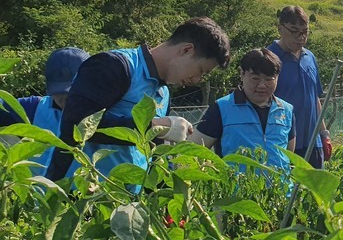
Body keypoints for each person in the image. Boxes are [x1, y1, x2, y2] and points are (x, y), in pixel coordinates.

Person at [46, 17, 230, 186]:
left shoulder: (163, 92)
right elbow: (75, 124)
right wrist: (156, 127)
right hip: (79, 195)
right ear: (186, 50)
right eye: (201, 70)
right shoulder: (114, 65)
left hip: (126, 204)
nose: (197, 80)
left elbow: (151, 156)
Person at [190, 48, 295, 180]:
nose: (262, 85)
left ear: (277, 78)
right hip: (236, 195)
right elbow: (194, 150)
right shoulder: (222, 108)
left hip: (279, 196)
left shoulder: (286, 110)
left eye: (269, 79)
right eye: (255, 78)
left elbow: (289, 155)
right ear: (242, 74)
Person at [0, 47, 89, 175]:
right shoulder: (34, 109)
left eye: (72, 90)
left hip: (84, 193)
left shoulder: (105, 112)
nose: (66, 97)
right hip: (38, 193)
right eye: (59, 91)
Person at [267, 6, 331, 168]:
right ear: (280, 28)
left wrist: (324, 134)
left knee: (314, 190)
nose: (300, 37)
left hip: (312, 142)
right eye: (294, 31)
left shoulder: (310, 57)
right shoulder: (269, 58)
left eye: (305, 32)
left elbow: (314, 98)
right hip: (283, 142)